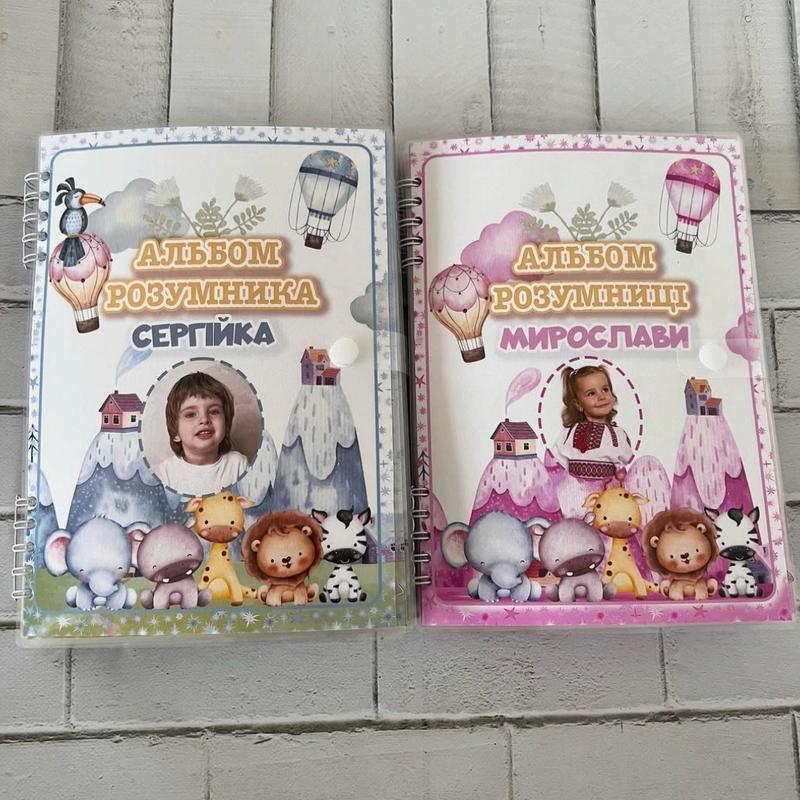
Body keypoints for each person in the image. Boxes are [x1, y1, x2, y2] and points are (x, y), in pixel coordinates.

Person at [154, 372, 249, 496]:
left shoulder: (238, 465)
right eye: (190, 414)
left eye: (214, 411)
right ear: (175, 432)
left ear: (226, 424)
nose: (204, 419)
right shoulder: (164, 473)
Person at [556, 364, 633, 479]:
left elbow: (626, 464)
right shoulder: (568, 434)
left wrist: (621, 474)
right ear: (578, 404)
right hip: (575, 488)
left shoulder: (618, 434)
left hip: (607, 488)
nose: (601, 397)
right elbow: (558, 463)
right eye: (591, 393)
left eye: (605, 389)